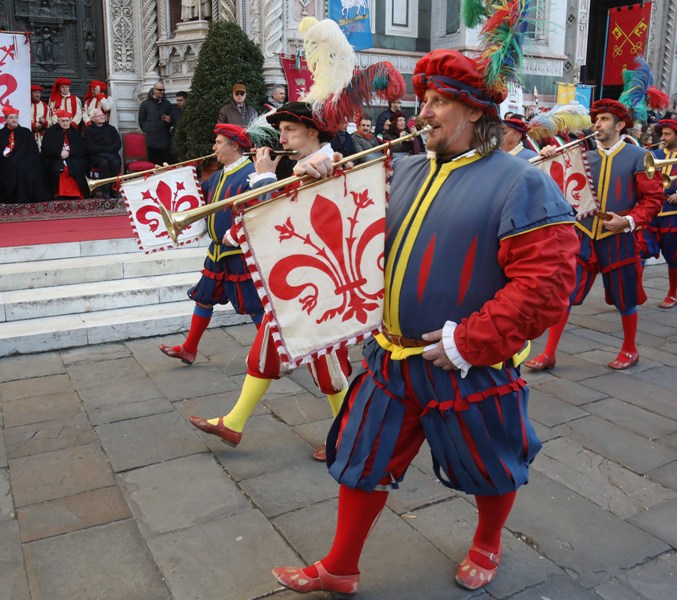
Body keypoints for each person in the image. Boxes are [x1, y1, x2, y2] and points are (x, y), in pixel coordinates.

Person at [270, 49, 580, 596]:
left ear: (476, 111)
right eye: (425, 100)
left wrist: (470, 341)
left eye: (439, 102)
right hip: (389, 358)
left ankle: (487, 542)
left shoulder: (522, 182)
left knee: (492, 463)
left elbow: (546, 288)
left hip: (466, 364)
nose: (424, 112)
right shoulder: (404, 168)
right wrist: (324, 175)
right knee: (362, 457)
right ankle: (340, 566)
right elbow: (349, 230)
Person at [188, 101, 352, 462]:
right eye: (281, 131)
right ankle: (233, 423)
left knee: (328, 367)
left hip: (318, 284)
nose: (282, 139)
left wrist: (264, 178)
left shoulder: (332, 165)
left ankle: (349, 435)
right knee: (264, 353)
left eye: (289, 130)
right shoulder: (306, 165)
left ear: (313, 132)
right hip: (296, 282)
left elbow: (286, 222)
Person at [524, 98, 663, 372]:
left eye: (604, 119)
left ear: (620, 125)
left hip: (620, 237)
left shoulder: (639, 156)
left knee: (625, 296)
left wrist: (628, 221)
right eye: (596, 119)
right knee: (566, 294)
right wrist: (550, 157)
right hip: (584, 235)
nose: (597, 124)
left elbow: (653, 199)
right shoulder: (581, 156)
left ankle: (630, 349)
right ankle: (549, 353)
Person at [159, 123, 263, 365]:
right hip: (217, 251)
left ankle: (277, 353)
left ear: (234, 145)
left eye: (218, 142)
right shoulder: (218, 175)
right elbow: (193, 196)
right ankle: (188, 349)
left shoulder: (251, 173)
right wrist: (169, 177)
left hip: (240, 252)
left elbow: (257, 210)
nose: (214, 147)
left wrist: (236, 233)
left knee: (255, 305)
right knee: (204, 298)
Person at [642, 118, 677, 308]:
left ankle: (673, 293)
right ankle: (634, 292)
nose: (663, 137)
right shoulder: (655, 154)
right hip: (653, 213)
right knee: (641, 250)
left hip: (673, 215)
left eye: (668, 134)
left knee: (673, 256)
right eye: (662, 134)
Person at [0, 105, 51, 204]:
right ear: (6, 119)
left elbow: (32, 151)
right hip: (7, 161)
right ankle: (12, 197)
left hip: (25, 160)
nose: (14, 120)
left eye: (16, 117)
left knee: (24, 168)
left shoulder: (26, 132)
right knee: (12, 167)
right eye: (11, 118)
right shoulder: (0, 133)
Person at [41, 110, 90, 199]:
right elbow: (46, 148)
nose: (65, 123)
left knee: (75, 167)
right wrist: (58, 153)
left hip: (73, 157)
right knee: (61, 168)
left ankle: (75, 193)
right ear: (58, 121)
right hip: (56, 158)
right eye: (63, 121)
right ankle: (61, 193)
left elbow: (81, 149)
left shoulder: (75, 132)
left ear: (70, 120)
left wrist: (69, 153)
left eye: (67, 121)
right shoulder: (50, 132)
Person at [83, 108, 122, 198]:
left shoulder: (111, 128)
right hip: (97, 156)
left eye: (102, 115)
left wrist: (107, 150)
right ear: (93, 119)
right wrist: (104, 150)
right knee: (103, 163)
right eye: (99, 116)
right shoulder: (88, 130)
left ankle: (114, 189)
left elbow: (118, 144)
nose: (102, 117)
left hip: (111, 154)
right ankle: (105, 190)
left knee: (116, 163)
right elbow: (89, 146)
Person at [138, 80, 173, 166]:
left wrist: (169, 121)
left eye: (163, 90)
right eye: (160, 90)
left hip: (164, 140)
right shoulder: (145, 104)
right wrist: (148, 130)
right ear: (154, 90)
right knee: (152, 166)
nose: (162, 92)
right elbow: (141, 121)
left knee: (164, 165)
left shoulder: (167, 104)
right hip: (150, 141)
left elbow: (171, 121)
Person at [30, 84, 50, 148]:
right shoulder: (25, 104)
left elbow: (50, 121)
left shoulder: (45, 105)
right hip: (28, 134)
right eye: (35, 92)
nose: (37, 95)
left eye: (39, 93)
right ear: (31, 93)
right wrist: (33, 125)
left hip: (41, 136)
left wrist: (44, 122)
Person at [170, 91, 187, 161]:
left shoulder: (191, 110)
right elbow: (172, 123)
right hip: (176, 139)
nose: (178, 102)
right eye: (177, 101)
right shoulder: (174, 110)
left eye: (180, 100)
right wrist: (169, 121)